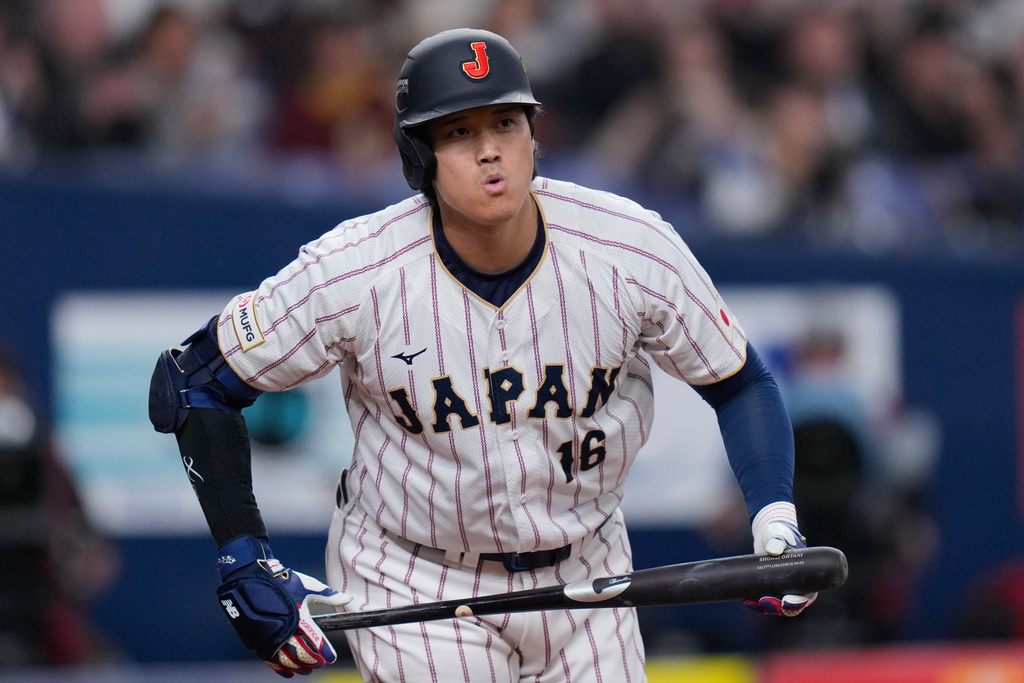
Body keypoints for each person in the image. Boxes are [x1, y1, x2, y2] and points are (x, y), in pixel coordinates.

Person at [148, 28, 815, 680]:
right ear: (420, 157)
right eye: (460, 132)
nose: (490, 150)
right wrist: (245, 556)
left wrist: (775, 517)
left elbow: (739, 379)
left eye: (505, 123)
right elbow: (189, 383)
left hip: (589, 567)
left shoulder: (630, 247)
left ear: (534, 135)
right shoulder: (355, 271)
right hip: (417, 577)